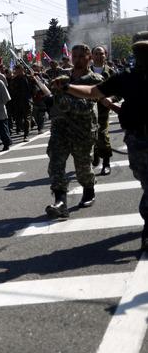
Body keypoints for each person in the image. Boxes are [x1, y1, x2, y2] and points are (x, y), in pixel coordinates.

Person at [53, 35, 148, 248]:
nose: (142, 58)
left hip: (94, 131)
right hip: (138, 139)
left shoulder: (115, 76)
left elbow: (94, 92)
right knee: (147, 183)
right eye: (140, 54)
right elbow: (93, 93)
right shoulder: (127, 77)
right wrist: (66, 88)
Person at [44, 44, 102, 219]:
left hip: (82, 129)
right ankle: (60, 202)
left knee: (83, 167)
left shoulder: (94, 79)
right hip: (60, 129)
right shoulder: (63, 78)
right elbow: (55, 99)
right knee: (55, 164)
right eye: (74, 56)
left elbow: (85, 106)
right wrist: (49, 99)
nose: (76, 59)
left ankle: (88, 190)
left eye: (80, 56)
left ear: (89, 58)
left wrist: (63, 100)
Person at [91, 45, 116, 175]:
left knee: (103, 135)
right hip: (87, 111)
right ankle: (95, 153)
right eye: (96, 53)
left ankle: (106, 163)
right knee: (90, 136)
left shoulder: (111, 72)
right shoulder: (85, 71)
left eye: (101, 54)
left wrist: (111, 99)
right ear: (91, 56)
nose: (99, 56)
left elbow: (119, 91)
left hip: (102, 110)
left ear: (105, 55)